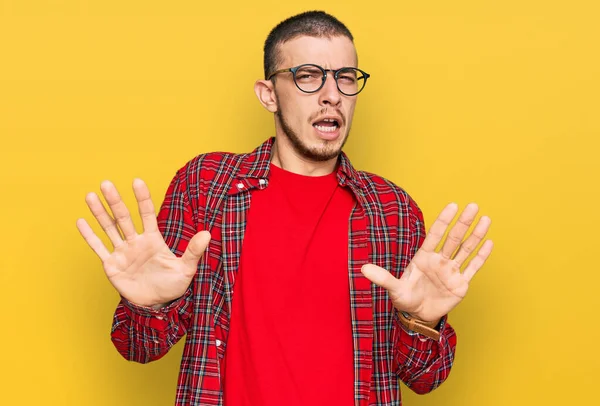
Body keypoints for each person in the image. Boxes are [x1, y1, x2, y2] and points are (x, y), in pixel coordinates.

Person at [76, 10, 493, 406]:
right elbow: (138, 347)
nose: (332, 96)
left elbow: (424, 378)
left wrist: (421, 321)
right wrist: (149, 305)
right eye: (308, 76)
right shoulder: (206, 186)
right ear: (269, 94)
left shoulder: (392, 210)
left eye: (346, 78)